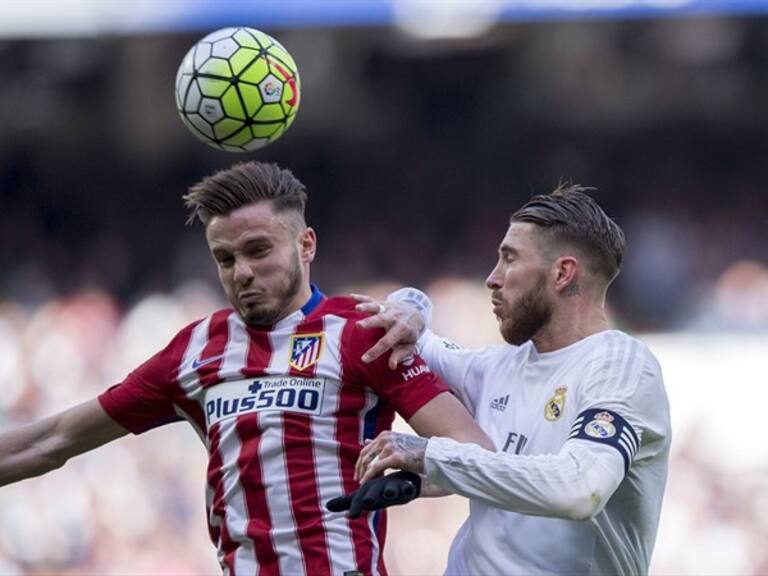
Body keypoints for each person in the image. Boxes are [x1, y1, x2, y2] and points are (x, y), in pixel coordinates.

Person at [0, 161, 492, 576]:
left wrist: (415, 478)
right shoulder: (194, 348)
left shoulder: (363, 333)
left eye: (258, 250)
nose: (242, 273)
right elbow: (53, 440)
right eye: (224, 257)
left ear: (306, 245)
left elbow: (477, 452)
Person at [341, 184, 671, 576]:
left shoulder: (621, 365)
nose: (492, 279)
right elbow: (399, 321)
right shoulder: (497, 367)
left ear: (563, 273)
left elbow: (581, 489)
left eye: (509, 260)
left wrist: (430, 455)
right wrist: (413, 306)